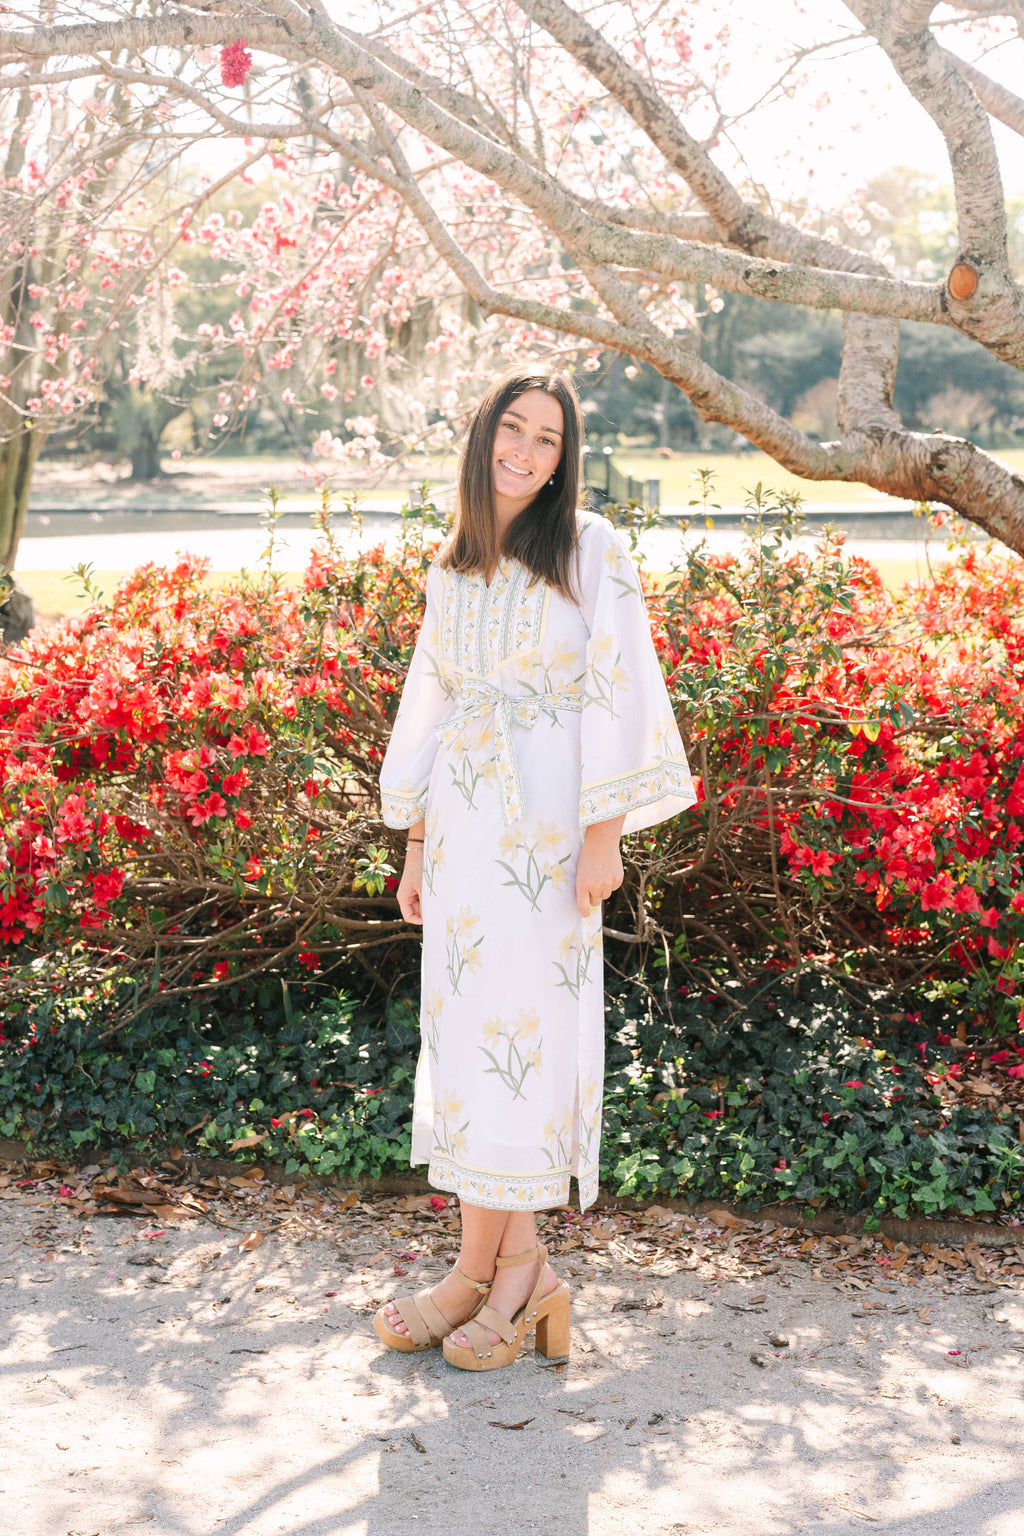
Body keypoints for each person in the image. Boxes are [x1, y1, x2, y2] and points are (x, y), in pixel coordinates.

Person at [374, 366, 695, 1371]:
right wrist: (415, 843)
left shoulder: (590, 547)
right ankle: (498, 1272)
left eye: (546, 439)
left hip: (551, 831)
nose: (524, 451)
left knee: (525, 1041)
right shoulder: (452, 565)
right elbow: (430, 704)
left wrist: (606, 833)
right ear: (484, 437)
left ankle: (502, 1276)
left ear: (564, 459)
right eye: (511, 429)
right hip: (464, 833)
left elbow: (622, 687)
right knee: (470, 1045)